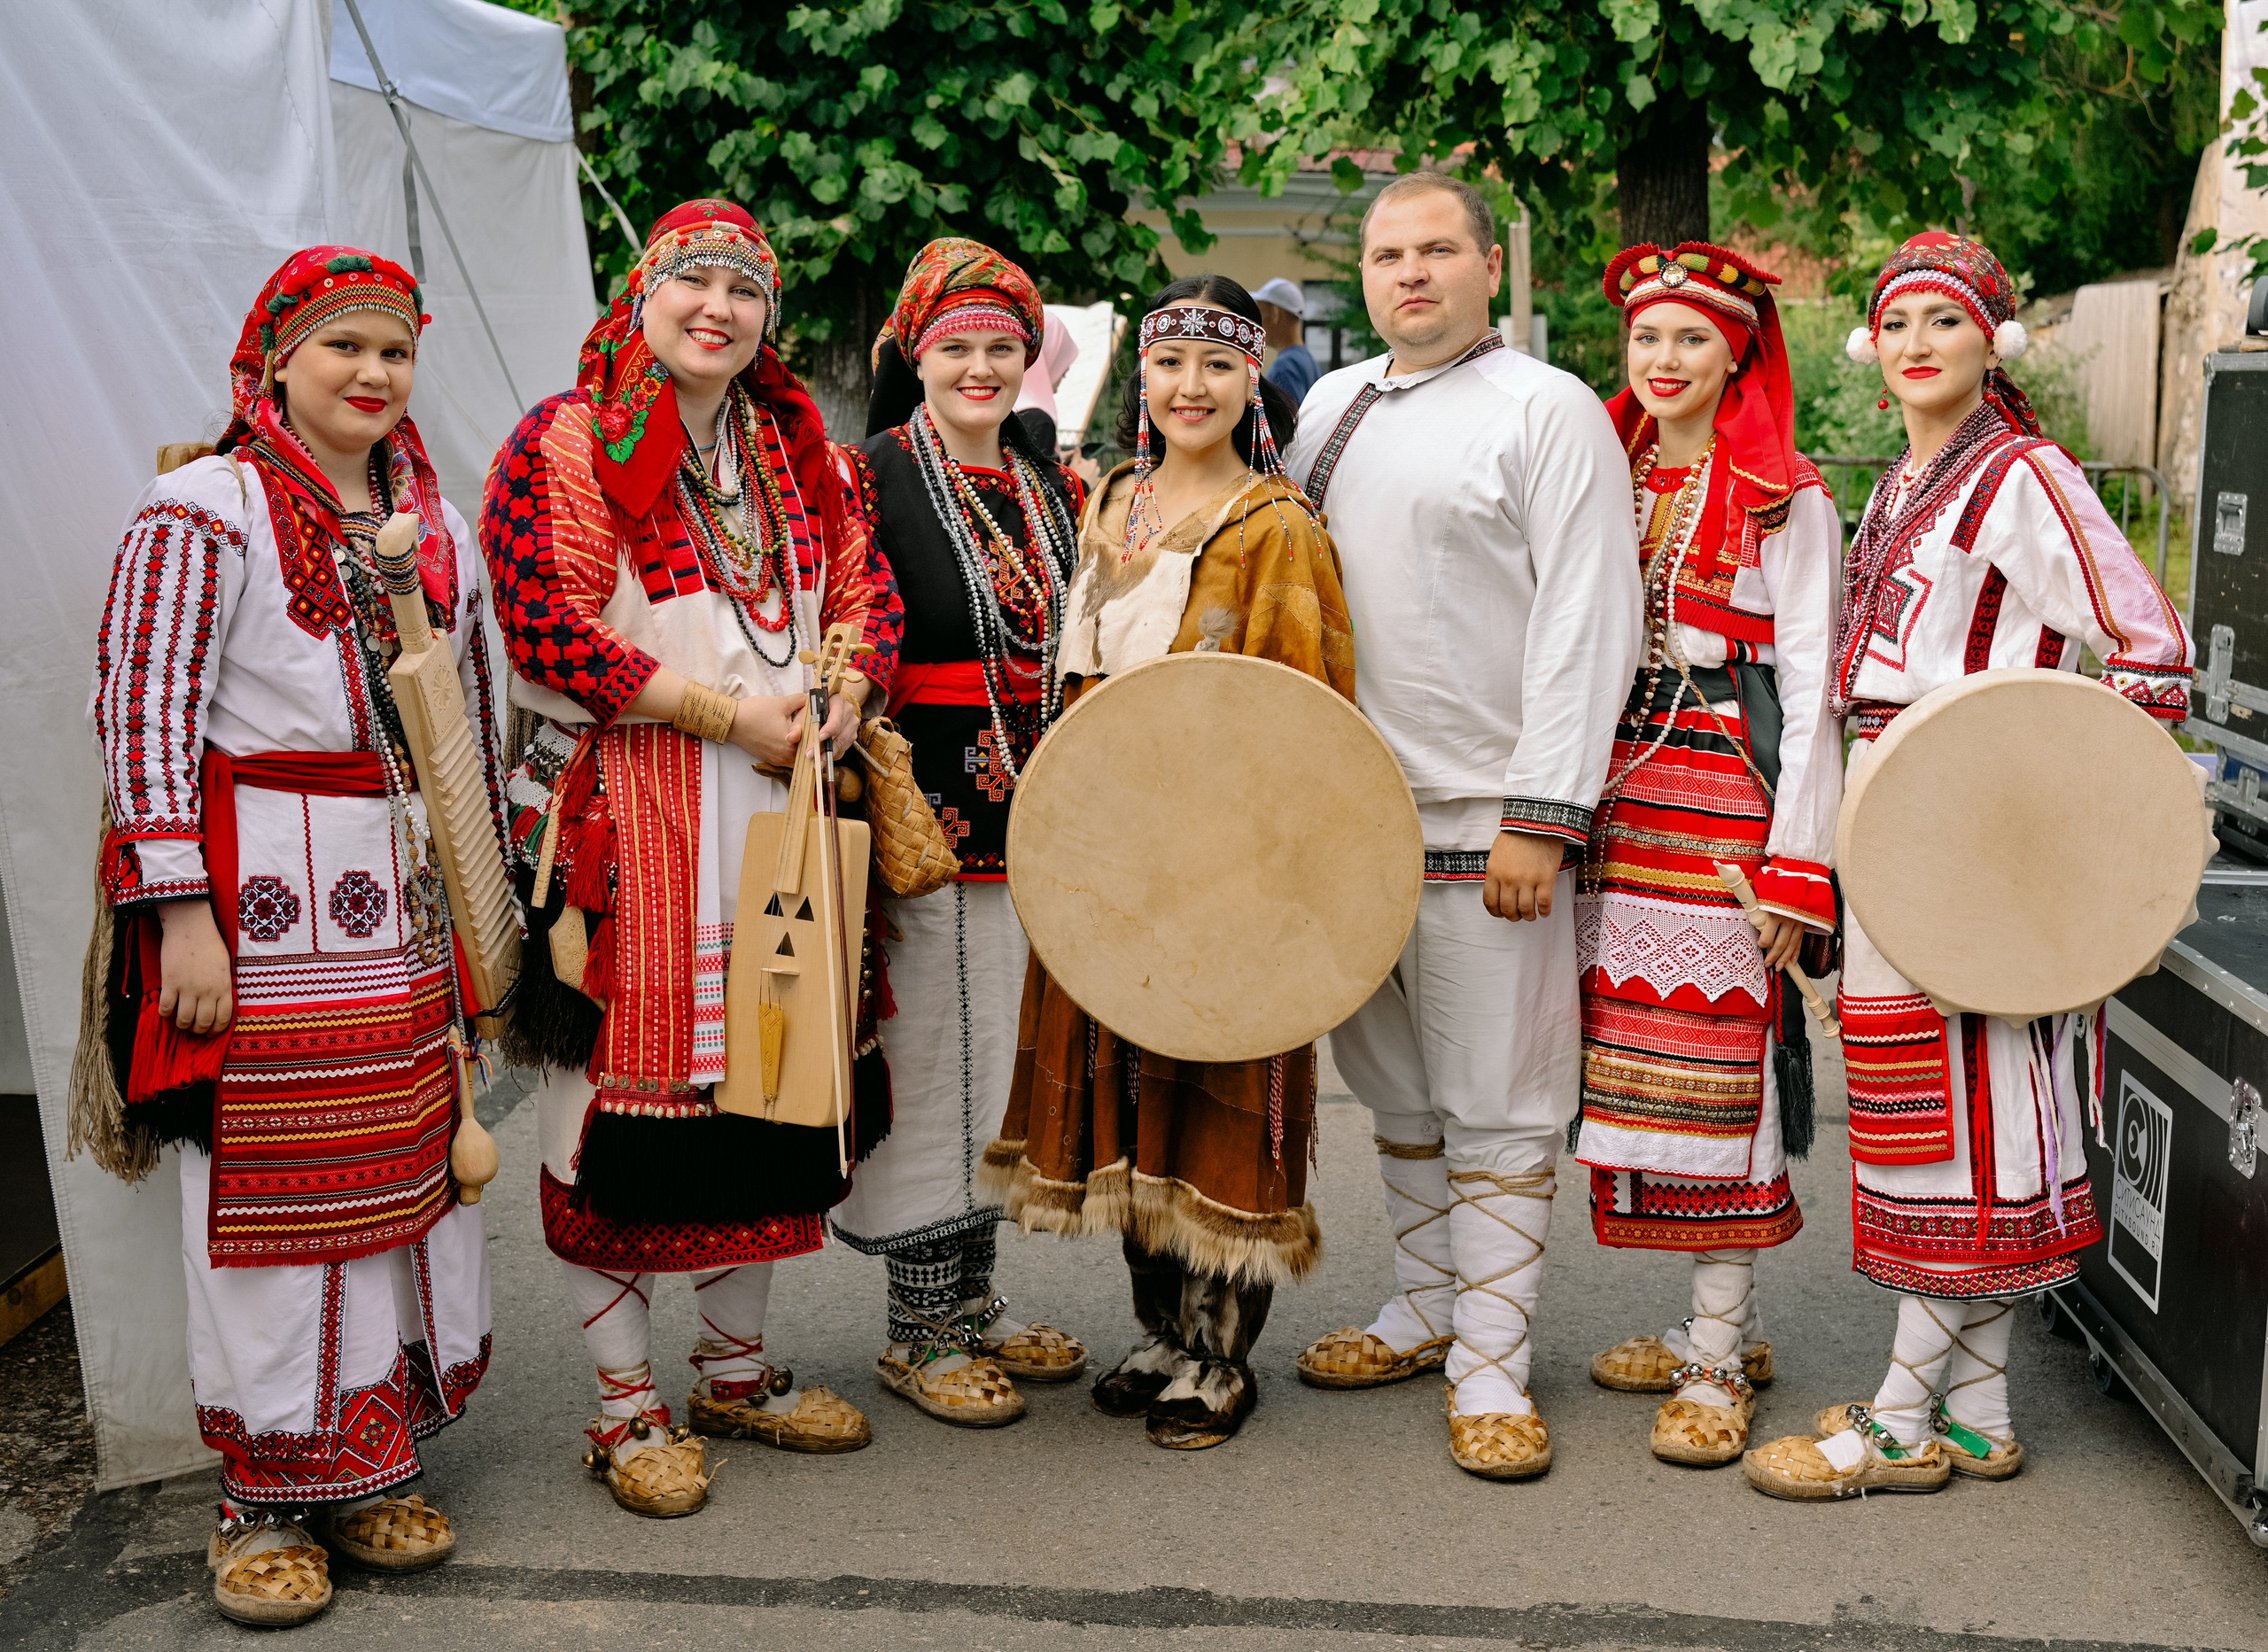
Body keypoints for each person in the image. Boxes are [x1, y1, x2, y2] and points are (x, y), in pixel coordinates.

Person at [1743, 230, 2194, 1501]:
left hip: (1982, 838)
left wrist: (2061, 826)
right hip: (1899, 827)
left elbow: (2148, 646)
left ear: (1990, 343)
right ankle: (1981, 1412)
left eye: (1945, 321)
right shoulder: (1896, 488)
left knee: (1975, 1115)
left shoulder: (2025, 475)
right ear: (1872, 346)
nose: (1917, 343)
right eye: (1896, 323)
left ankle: (1897, 1419)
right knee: (1917, 1095)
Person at [85, 246, 499, 1625]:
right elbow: (141, 713)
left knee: (396, 1182)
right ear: (274, 362)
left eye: (396, 352)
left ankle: (368, 1460)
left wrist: (483, 896)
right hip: (261, 901)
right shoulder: (202, 508)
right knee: (267, 1199)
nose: (375, 375)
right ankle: (263, 1492)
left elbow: (466, 712)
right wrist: (180, 918)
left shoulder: (423, 515)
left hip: (399, 898)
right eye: (344, 349)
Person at [481, 199, 904, 1515]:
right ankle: (622, 1405)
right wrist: (726, 711)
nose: (717, 307)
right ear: (642, 294)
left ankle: (735, 1371)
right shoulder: (563, 438)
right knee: (614, 1111)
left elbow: (864, 591)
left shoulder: (800, 448)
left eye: (744, 289)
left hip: (777, 816)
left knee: (765, 1083)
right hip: (633, 813)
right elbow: (546, 631)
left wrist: (842, 693)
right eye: (694, 283)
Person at [1282, 172, 1642, 1479]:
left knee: (1496, 1103)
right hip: (1351, 819)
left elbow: (1588, 616)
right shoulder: (1329, 406)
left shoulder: (1546, 411)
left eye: (1438, 249)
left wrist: (1543, 815)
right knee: (1397, 1090)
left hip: (1493, 816)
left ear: (1492, 265)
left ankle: (1493, 1360)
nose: (1411, 273)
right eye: (1387, 253)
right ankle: (1427, 1307)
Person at [987, 273, 1354, 1449]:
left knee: (1218, 1088)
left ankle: (1221, 1352)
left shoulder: (1277, 527)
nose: (1189, 387)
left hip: (1225, 868)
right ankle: (1158, 1328)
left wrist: (1258, 873)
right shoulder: (1110, 504)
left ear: (1255, 378)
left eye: (1216, 364)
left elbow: (1307, 726)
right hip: (1108, 859)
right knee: (1127, 1089)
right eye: (1168, 364)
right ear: (1141, 378)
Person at [1573, 244, 1843, 1469]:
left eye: (1690, 338)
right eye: (1644, 339)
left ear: (1737, 350)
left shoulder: (1790, 497)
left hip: (1728, 808)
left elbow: (1814, 689)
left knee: (1719, 1079)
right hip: (1620, 809)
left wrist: (1800, 870)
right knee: (1632, 1072)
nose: (1664, 361)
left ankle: (1720, 1351)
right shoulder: (1600, 472)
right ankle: (1703, 1320)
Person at [837, 237, 1088, 1427]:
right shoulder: (867, 477)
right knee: (935, 1058)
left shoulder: (1052, 486)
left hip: (1041, 813)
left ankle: (972, 1302)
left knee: (1005, 1072)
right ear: (913, 356)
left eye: (1002, 347)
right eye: (957, 348)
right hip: (922, 817)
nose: (981, 366)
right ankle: (918, 1328)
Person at [1254, 278, 1318, 403]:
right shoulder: (1309, 361)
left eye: (1261, 311)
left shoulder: (1285, 367)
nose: (1257, 322)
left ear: (1275, 313)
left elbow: (1287, 421)